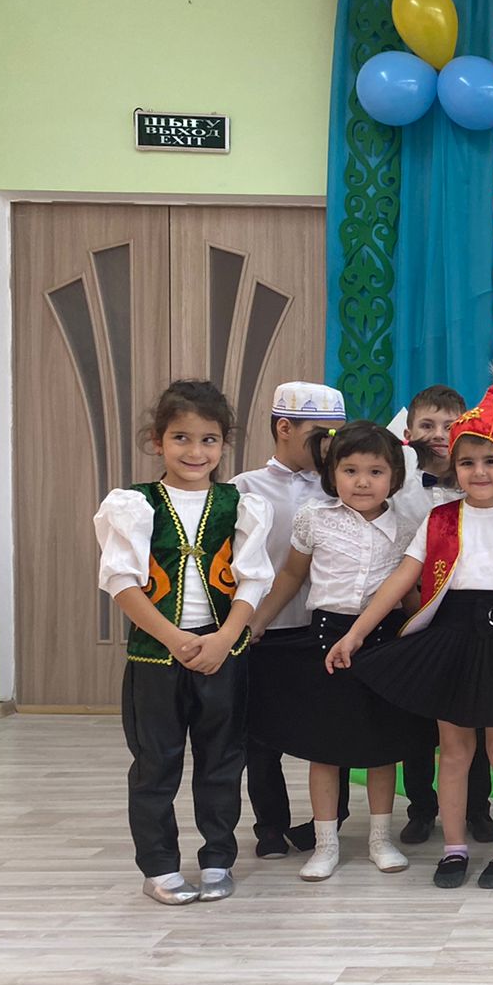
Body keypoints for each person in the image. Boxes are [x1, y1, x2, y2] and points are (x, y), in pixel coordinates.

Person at [326, 362, 493, 891]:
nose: (479, 471)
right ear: (455, 467)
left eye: (491, 461)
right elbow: (402, 580)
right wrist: (355, 633)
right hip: (450, 639)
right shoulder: (440, 519)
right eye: (467, 462)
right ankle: (453, 847)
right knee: (454, 750)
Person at [93, 380, 273, 905]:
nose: (196, 452)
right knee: (156, 761)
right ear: (157, 440)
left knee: (223, 759)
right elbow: (121, 582)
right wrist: (173, 639)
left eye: (209, 440)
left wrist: (225, 639)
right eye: (181, 438)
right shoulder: (133, 504)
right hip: (156, 655)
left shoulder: (240, 505)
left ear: (224, 443)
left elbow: (253, 580)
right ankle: (159, 866)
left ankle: (217, 858)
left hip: (223, 652)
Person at [247, 421, 435, 882]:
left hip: (384, 643)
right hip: (326, 638)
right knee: (325, 747)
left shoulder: (407, 528)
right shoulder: (314, 518)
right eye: (350, 470)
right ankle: (326, 843)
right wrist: (257, 620)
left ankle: (380, 839)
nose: (362, 482)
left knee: (382, 746)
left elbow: (410, 594)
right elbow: (291, 576)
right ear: (332, 474)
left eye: (375, 472)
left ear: (395, 476)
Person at [233, 381, 348, 860]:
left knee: (333, 732)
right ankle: (270, 826)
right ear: (285, 428)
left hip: (327, 628)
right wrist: (248, 623)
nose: (330, 447)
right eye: (321, 435)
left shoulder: (342, 486)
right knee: (261, 737)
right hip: (268, 629)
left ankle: (332, 820)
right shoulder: (244, 488)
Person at [389, 385, 493, 849]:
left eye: (448, 426)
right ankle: (420, 808)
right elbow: (397, 557)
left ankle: (477, 808)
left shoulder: (479, 486)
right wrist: (412, 608)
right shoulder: (398, 488)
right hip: (414, 616)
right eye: (427, 425)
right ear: (408, 431)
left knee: (474, 718)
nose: (437, 434)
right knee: (416, 722)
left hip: (467, 620)